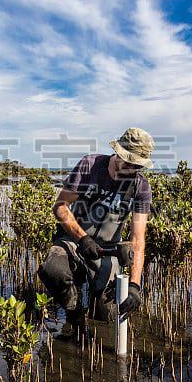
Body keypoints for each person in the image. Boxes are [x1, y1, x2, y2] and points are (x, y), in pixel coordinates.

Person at [37, 127, 153, 329]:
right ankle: (73, 314)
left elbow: (138, 241)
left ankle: (95, 299)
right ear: (117, 152)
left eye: (136, 166)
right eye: (127, 161)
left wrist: (134, 285)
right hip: (73, 241)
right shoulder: (89, 165)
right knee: (53, 270)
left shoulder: (140, 186)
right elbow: (60, 207)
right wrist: (82, 238)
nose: (130, 169)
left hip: (107, 252)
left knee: (106, 318)